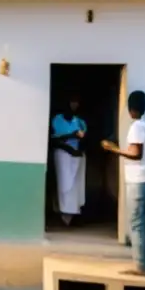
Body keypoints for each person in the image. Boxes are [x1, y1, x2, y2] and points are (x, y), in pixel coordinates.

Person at [101, 90, 145, 276]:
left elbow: (136, 154)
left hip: (139, 181)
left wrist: (113, 149)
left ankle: (142, 266)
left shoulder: (136, 127)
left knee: (137, 224)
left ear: (130, 109)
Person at [51, 95, 87, 226]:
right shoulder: (57, 120)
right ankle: (62, 213)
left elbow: (85, 138)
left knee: (75, 186)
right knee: (64, 184)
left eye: (76, 101)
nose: (74, 104)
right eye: (72, 101)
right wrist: (70, 140)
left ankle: (71, 215)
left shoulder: (80, 121)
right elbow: (54, 140)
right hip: (63, 155)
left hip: (76, 156)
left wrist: (79, 149)